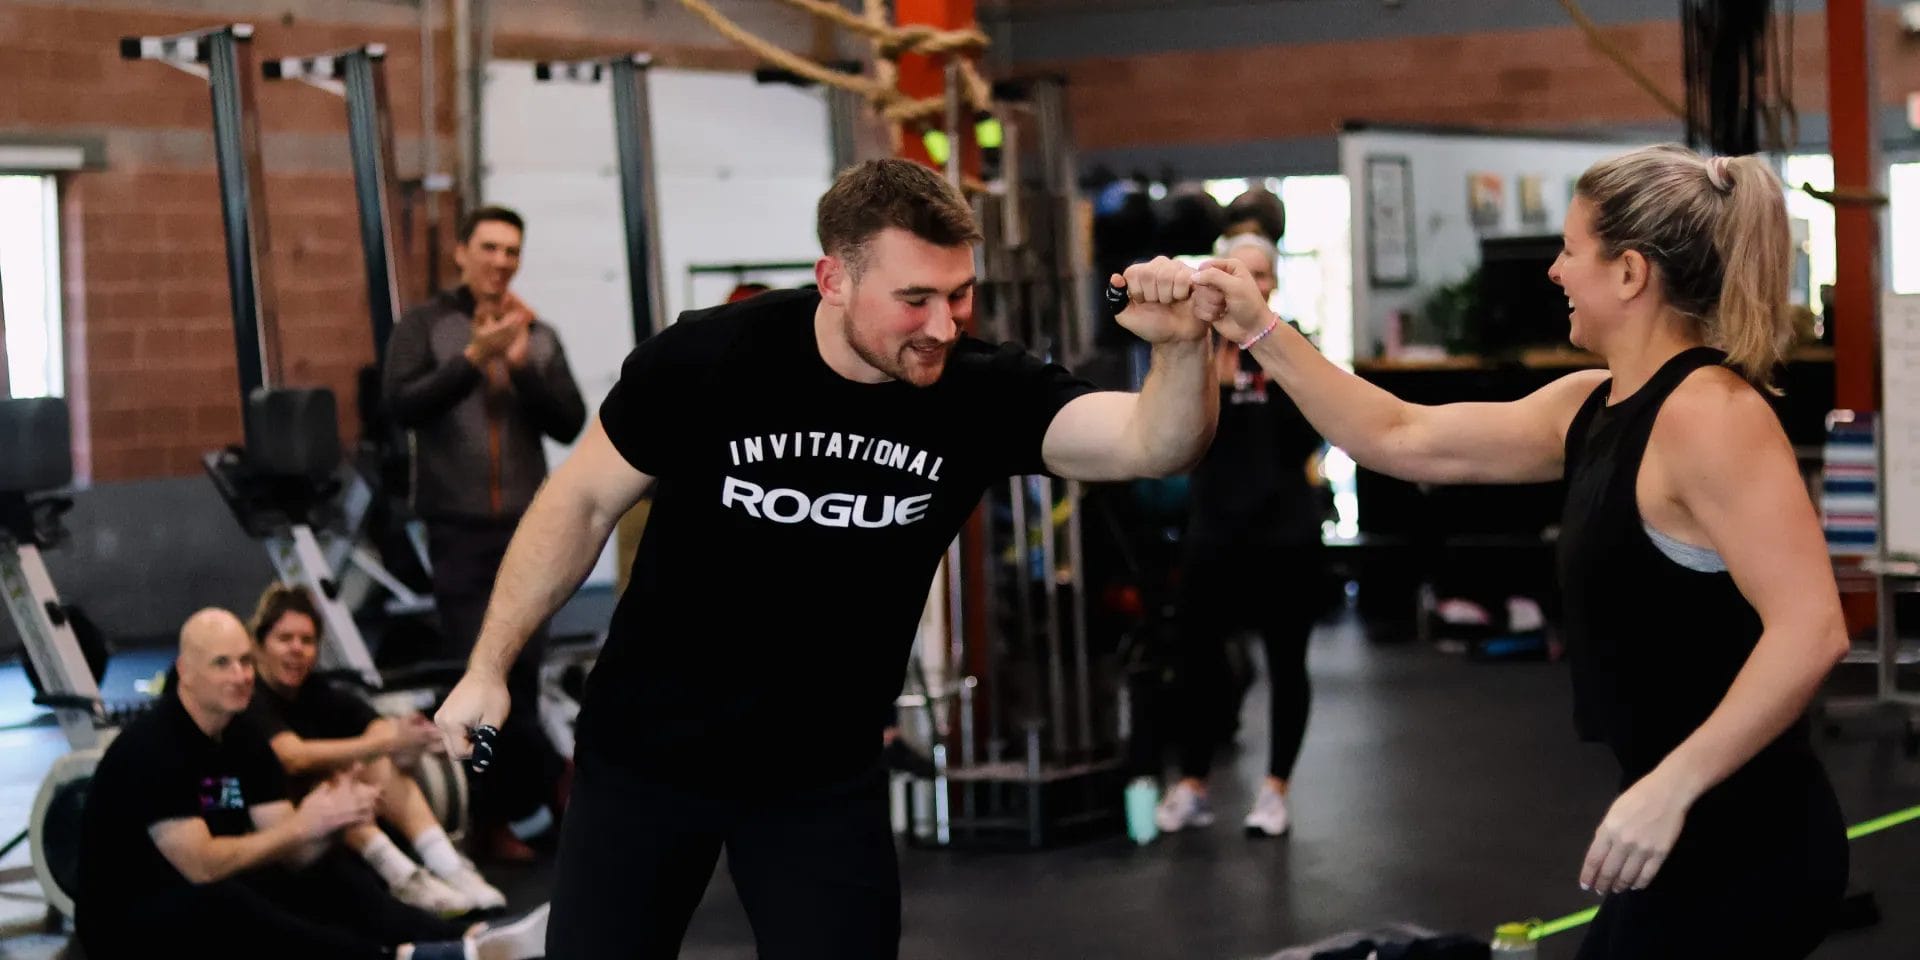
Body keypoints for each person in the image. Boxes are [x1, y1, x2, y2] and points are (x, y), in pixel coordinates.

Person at [434, 157, 1219, 959]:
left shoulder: (977, 391)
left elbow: (1153, 444)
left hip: (818, 772)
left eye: (958, 294)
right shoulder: (710, 357)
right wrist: (489, 665)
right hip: (648, 752)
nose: (942, 325)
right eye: (913, 300)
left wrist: (1183, 349)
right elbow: (581, 501)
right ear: (833, 279)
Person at [1189, 143, 1849, 959]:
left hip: (1751, 839)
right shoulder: (1591, 405)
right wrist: (1257, 325)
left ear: (1631, 274)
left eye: (1571, 251)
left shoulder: (1712, 415)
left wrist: (1671, 787)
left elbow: (1813, 627)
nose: (1555, 272)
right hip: (1675, 826)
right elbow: (1402, 434)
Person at [72, 609, 539, 960]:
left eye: (244, 663)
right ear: (185, 671)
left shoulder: (243, 735)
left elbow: (289, 849)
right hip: (128, 923)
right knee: (228, 900)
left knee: (323, 868)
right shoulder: (155, 747)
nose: (240, 676)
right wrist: (302, 827)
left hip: (210, 889)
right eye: (222, 664)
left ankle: (462, 938)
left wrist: (332, 819)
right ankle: (392, 957)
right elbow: (203, 867)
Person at [384, 205, 586, 861]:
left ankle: (515, 814)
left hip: (531, 530)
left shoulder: (541, 333)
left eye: (512, 251)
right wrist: (475, 358)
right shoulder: (426, 326)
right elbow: (400, 405)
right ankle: (507, 817)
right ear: (462, 254)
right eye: (490, 248)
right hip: (459, 529)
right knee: (479, 671)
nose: (502, 261)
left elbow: (569, 421)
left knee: (523, 677)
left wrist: (523, 363)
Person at [1154, 231, 1333, 839]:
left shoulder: (1292, 350)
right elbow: (1172, 435)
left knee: (1287, 663)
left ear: (1273, 285)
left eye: (1260, 274)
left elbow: (1309, 436)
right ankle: (1192, 783)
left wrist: (1269, 366)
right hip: (1214, 532)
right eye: (1237, 271)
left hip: (1284, 534)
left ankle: (1275, 790)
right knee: (1196, 662)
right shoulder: (1196, 348)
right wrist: (1215, 371)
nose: (1248, 283)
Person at [245, 582, 508, 914]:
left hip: (333, 806)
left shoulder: (316, 690)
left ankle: (448, 864)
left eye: (307, 641)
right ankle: (404, 879)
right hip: (270, 815)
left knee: (375, 765)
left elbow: (378, 726)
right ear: (259, 645)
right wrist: (381, 743)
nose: (297, 649)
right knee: (336, 782)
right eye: (285, 639)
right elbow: (292, 757)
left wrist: (403, 739)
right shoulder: (250, 695)